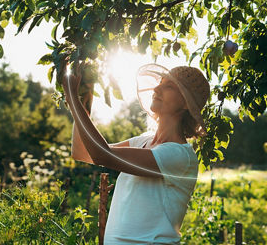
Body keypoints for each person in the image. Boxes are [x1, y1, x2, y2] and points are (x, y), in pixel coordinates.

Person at [62, 63, 211, 245]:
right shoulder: (143, 141)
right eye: (160, 82)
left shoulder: (179, 155)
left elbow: (102, 154)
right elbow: (83, 152)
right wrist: (83, 105)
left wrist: (72, 100)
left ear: (186, 103)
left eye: (169, 86)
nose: (157, 88)